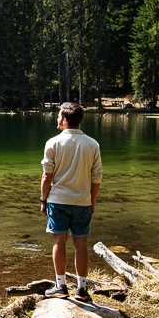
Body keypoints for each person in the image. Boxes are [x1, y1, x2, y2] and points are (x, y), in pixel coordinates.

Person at [40, 102, 102, 301]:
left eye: (59, 117)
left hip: (57, 201)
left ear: (65, 120)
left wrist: (43, 200)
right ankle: (82, 289)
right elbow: (96, 178)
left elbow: (46, 177)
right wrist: (92, 202)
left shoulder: (53, 143)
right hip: (82, 202)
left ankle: (61, 286)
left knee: (59, 241)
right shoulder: (92, 144)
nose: (57, 119)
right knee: (80, 243)